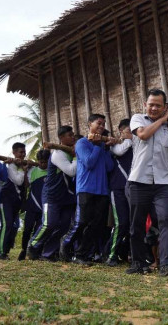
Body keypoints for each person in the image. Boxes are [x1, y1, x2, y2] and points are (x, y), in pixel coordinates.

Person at [127, 88, 168, 276]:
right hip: (138, 180)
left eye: (158, 106)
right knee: (137, 223)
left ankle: (166, 263)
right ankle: (138, 262)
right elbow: (142, 135)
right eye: (151, 104)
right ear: (145, 104)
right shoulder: (137, 119)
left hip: (163, 183)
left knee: (166, 220)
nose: (153, 108)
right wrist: (163, 119)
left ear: (164, 106)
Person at [60, 114, 115, 265]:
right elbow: (89, 163)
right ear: (90, 124)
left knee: (96, 225)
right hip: (86, 189)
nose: (102, 126)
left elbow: (109, 167)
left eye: (103, 124)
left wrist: (106, 150)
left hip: (102, 190)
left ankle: (81, 255)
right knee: (82, 221)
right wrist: (97, 147)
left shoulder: (102, 146)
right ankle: (65, 245)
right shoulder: (82, 143)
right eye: (99, 123)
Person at [28, 126, 77, 260]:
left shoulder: (71, 151)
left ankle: (47, 253)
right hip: (52, 195)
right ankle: (33, 246)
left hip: (67, 196)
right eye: (69, 135)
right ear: (61, 138)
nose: (72, 137)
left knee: (64, 227)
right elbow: (72, 171)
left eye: (73, 135)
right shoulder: (57, 154)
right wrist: (75, 157)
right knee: (49, 223)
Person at [104, 119, 134, 266]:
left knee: (132, 224)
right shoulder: (114, 145)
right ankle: (110, 255)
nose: (132, 134)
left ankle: (128, 254)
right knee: (121, 223)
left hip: (134, 189)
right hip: (118, 189)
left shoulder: (137, 145)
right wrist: (128, 139)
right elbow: (120, 151)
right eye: (129, 131)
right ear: (121, 131)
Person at [0, 142, 27, 259]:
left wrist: (24, 169)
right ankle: (2, 253)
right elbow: (18, 181)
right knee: (7, 225)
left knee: (13, 226)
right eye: (20, 152)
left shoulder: (23, 165)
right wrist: (22, 170)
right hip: (5, 200)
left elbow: (26, 183)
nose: (22, 154)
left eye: (24, 152)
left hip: (16, 201)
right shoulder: (11, 166)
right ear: (14, 153)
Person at [18, 149, 49, 261]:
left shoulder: (52, 171)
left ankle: (35, 251)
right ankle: (23, 250)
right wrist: (26, 171)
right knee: (27, 229)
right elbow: (26, 185)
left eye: (46, 162)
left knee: (39, 230)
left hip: (44, 207)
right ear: (38, 161)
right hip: (32, 205)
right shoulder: (33, 171)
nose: (43, 164)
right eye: (41, 162)